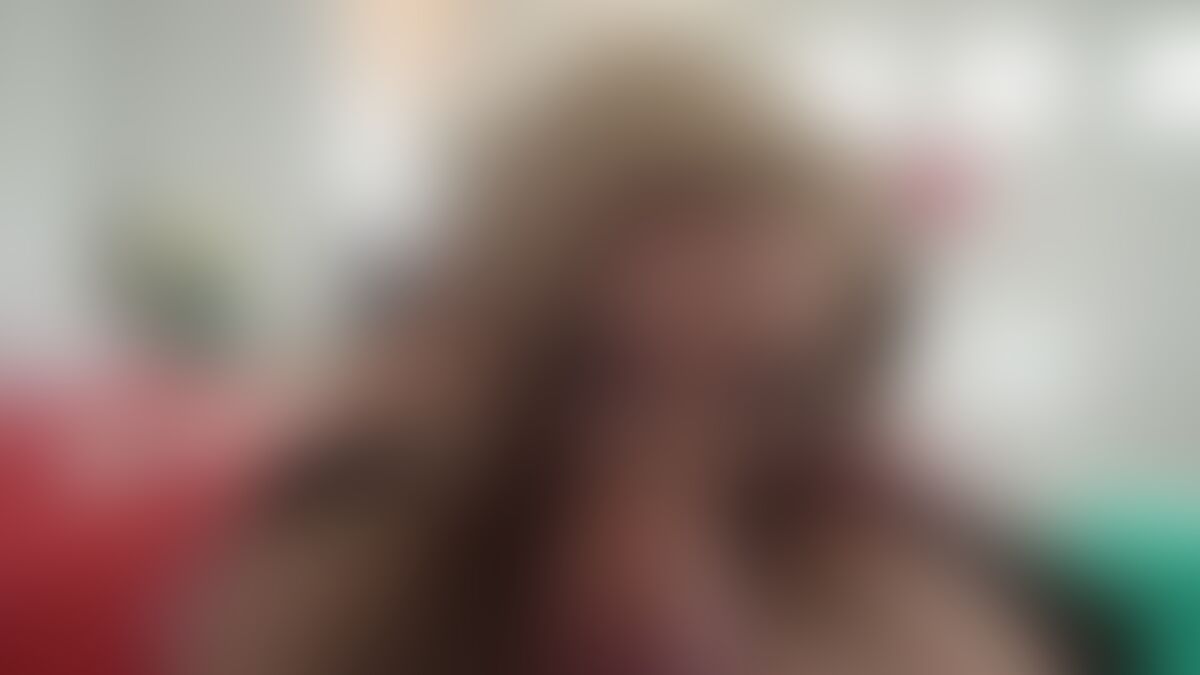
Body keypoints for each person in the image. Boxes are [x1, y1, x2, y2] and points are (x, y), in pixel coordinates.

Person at [182, 41, 1126, 675]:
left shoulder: (914, 574)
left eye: (759, 387)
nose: (669, 452)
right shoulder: (350, 554)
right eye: (597, 373)